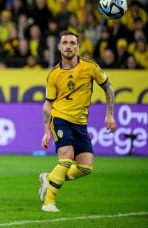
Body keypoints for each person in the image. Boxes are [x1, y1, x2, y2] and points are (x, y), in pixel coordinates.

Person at [39, 31, 116, 212]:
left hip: (80, 123)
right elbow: (48, 104)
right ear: (59, 47)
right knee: (66, 159)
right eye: (65, 43)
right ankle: (48, 202)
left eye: (72, 43)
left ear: (78, 47)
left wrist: (110, 114)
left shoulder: (90, 67)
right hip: (60, 119)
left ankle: (48, 178)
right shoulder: (54, 75)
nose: (68, 46)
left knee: (85, 167)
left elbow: (108, 88)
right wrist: (46, 131)